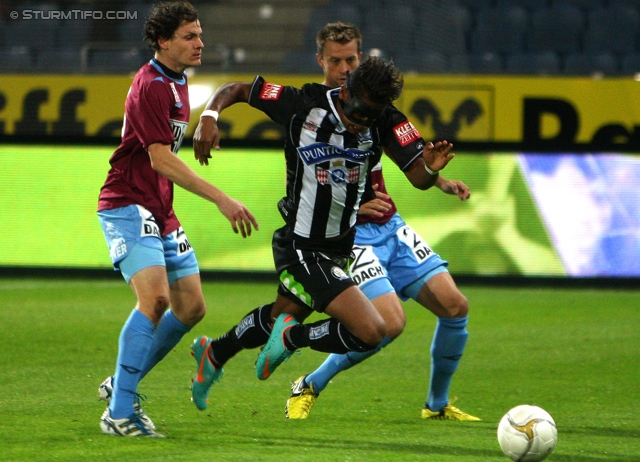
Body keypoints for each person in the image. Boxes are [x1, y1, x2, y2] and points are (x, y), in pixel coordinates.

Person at [189, 53, 456, 412]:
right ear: (346, 91)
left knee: (276, 315)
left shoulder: (387, 120)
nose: (363, 123)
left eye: (371, 116)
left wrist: (430, 169)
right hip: (301, 246)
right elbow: (237, 89)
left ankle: (215, 352)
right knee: (371, 331)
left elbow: (419, 179)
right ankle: (293, 337)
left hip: (339, 249)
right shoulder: (303, 103)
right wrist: (209, 116)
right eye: (358, 112)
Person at [284, 22, 479, 422]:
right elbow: (307, 188)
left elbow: (412, 165)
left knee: (456, 306)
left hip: (390, 227)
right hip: (348, 237)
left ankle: (437, 407)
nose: (343, 67)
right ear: (320, 60)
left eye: (351, 60)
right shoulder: (307, 110)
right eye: (335, 60)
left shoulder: (378, 108)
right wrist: (355, 210)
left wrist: (435, 175)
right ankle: (310, 383)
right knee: (388, 324)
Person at [96, 1, 258, 437]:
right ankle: (120, 412)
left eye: (200, 34)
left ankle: (120, 386)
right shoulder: (150, 84)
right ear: (163, 42)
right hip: (128, 202)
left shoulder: (177, 81)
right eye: (189, 36)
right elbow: (161, 159)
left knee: (191, 307)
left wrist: (208, 118)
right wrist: (222, 199)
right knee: (155, 301)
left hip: (160, 209)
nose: (200, 43)